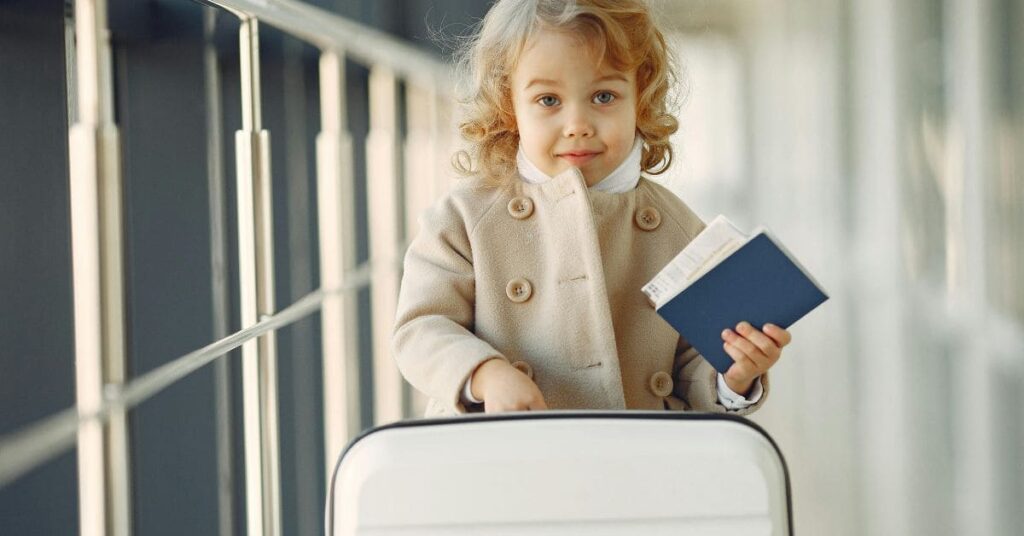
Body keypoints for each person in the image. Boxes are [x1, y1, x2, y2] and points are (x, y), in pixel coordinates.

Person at [392, 0, 792, 416]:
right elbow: (420, 329)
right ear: (509, 105)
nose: (578, 123)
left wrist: (735, 373)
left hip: (634, 462)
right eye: (548, 100)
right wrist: (484, 372)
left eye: (604, 96)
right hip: (501, 455)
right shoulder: (463, 217)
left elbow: (693, 365)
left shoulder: (680, 230)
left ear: (641, 96)